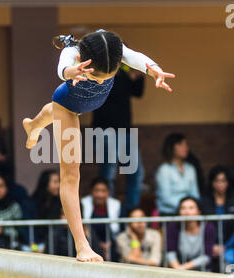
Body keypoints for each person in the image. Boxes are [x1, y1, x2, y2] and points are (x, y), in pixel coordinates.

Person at [22, 29, 175, 262]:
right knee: (71, 175)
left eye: (108, 76)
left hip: (85, 104)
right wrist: (70, 71)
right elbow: (62, 67)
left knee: (51, 113)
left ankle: (33, 127)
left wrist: (153, 69)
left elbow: (135, 57)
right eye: (97, 77)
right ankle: (82, 245)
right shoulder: (74, 52)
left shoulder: (115, 50)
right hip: (69, 105)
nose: (103, 80)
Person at [91, 64, 145, 211]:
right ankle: (109, 214)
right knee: (108, 173)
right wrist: (130, 77)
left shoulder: (125, 71)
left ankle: (131, 214)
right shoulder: (101, 68)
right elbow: (111, 91)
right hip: (104, 131)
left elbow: (137, 92)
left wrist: (139, 75)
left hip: (125, 131)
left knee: (136, 173)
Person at [200, 165, 234, 271]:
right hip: (208, 245)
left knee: (230, 266)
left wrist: (225, 246)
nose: (220, 184)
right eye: (217, 181)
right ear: (212, 183)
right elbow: (200, 226)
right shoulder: (204, 202)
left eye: (223, 181)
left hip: (228, 246)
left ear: (228, 183)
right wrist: (211, 245)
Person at [166, 197, 216, 271]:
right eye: (183, 208)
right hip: (178, 267)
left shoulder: (208, 227)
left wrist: (184, 267)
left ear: (199, 212)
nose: (186, 211)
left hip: (201, 269)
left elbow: (206, 256)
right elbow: (170, 252)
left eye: (191, 208)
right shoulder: (173, 226)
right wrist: (177, 268)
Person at [155, 133, 200, 215]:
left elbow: (195, 194)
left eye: (186, 145)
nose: (185, 148)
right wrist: (184, 207)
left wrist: (191, 207)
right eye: (180, 145)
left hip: (190, 212)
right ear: (171, 147)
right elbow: (165, 198)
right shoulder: (164, 169)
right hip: (169, 213)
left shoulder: (191, 168)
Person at [81, 176, 122, 260]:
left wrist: (109, 244)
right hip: (90, 243)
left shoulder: (116, 205)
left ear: (108, 192)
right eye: (97, 191)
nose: (100, 195)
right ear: (91, 192)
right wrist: (99, 245)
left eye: (103, 191)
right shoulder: (83, 204)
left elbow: (119, 229)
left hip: (112, 244)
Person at [30, 169, 62, 249]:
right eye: (55, 182)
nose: (58, 185)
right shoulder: (33, 201)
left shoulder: (58, 201)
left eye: (59, 182)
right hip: (35, 243)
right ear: (45, 183)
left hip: (53, 243)